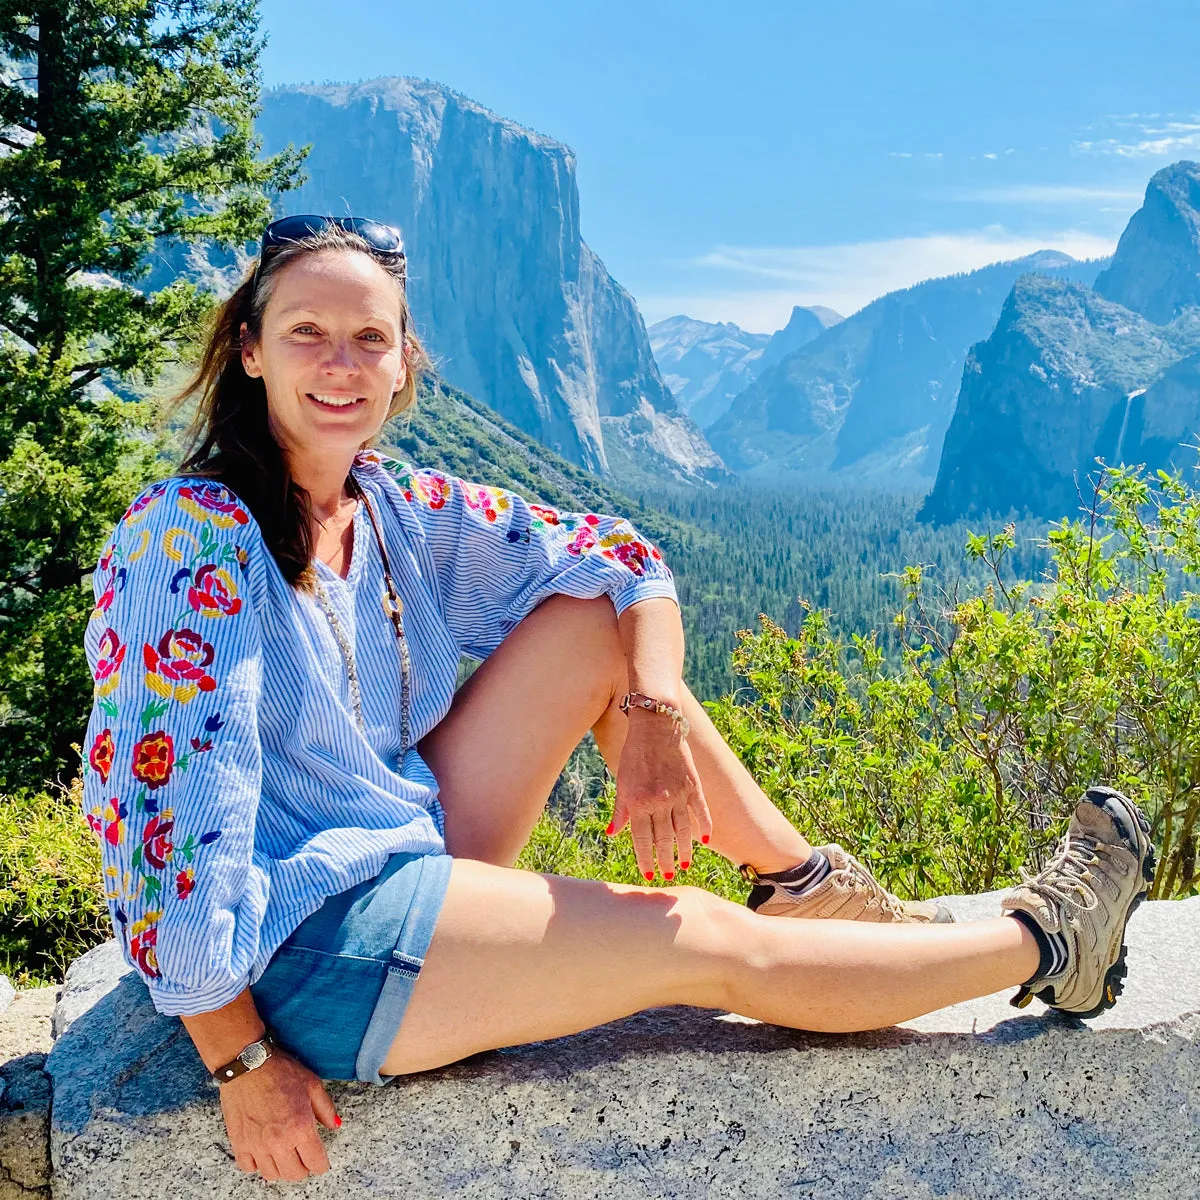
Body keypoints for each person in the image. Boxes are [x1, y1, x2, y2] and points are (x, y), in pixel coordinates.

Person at [80, 215, 1156, 1184]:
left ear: (407, 363)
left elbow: (620, 559)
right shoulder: (193, 540)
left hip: (388, 842)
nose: (342, 365)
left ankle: (806, 886)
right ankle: (1051, 942)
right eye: (310, 333)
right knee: (691, 937)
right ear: (253, 350)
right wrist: (241, 1061)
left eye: (371, 339)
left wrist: (649, 714)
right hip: (305, 950)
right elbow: (155, 828)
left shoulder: (390, 503)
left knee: (593, 624)